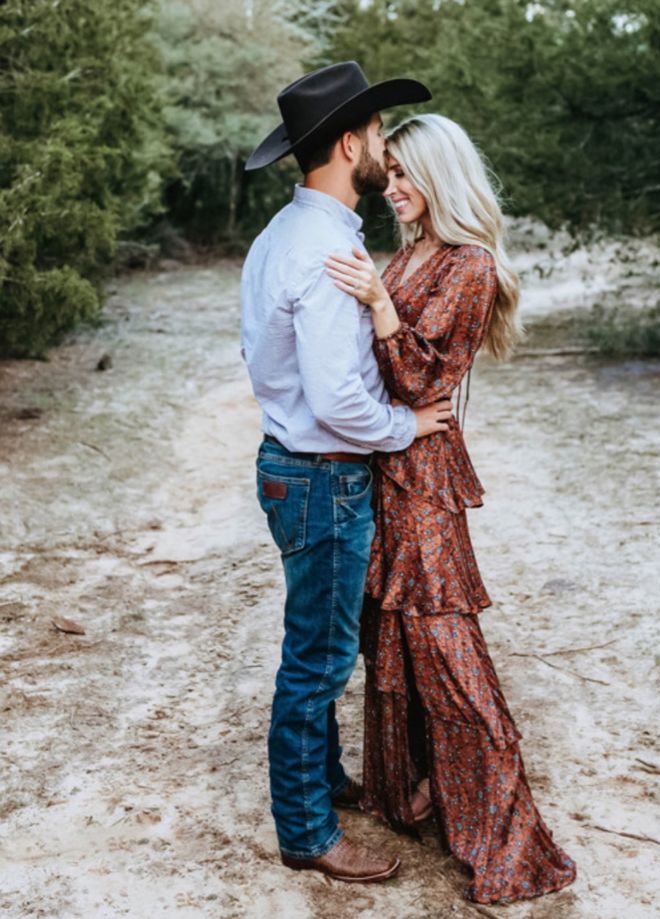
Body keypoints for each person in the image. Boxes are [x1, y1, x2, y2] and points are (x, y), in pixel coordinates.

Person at [324, 113, 577, 904]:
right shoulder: (411, 253)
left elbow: (419, 380)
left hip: (424, 483)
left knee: (449, 656)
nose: (392, 188)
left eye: (406, 175)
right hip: (382, 470)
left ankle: (512, 841)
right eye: (388, 172)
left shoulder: (469, 265)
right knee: (386, 638)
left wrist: (378, 304)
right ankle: (411, 792)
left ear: (442, 178)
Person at [240, 62, 454, 885]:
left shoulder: (280, 235)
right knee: (318, 660)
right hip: (323, 471)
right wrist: (406, 424)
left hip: (289, 465)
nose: (383, 150)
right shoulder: (325, 248)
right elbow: (337, 400)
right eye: (376, 136)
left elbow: (265, 355)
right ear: (348, 142)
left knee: (318, 638)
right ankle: (307, 831)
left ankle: (322, 782)